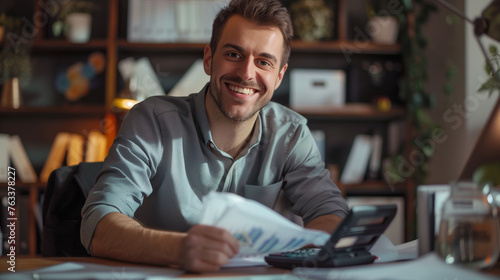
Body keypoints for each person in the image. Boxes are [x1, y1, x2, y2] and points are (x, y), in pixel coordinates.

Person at [81, 0, 349, 272]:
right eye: (234, 54)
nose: (246, 73)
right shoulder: (152, 121)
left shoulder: (291, 134)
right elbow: (98, 223)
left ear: (279, 77)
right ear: (209, 59)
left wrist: (305, 247)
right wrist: (179, 249)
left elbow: (332, 214)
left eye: (264, 62)